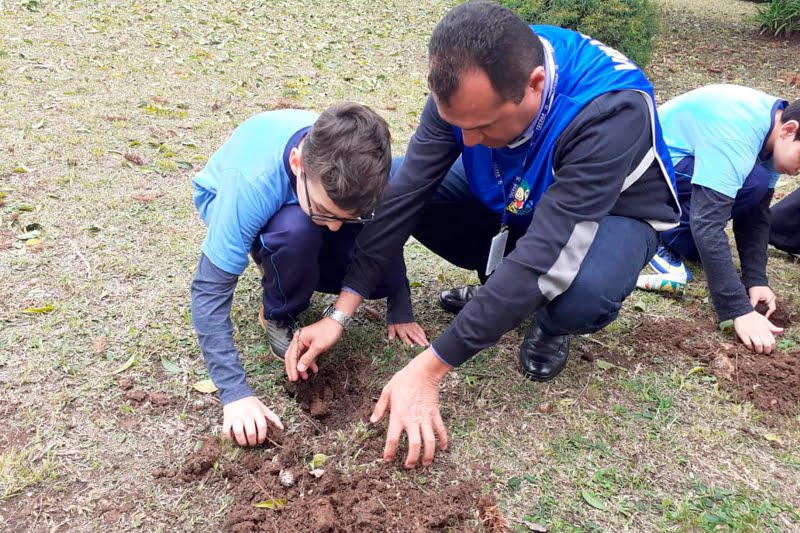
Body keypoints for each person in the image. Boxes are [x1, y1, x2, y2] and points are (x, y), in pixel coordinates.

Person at [284, 1, 680, 468]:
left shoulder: (611, 113)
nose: (466, 141)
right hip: (519, 193)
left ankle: (549, 323)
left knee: (580, 294)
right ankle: (500, 293)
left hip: (613, 214)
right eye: (458, 126)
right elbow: (406, 195)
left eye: (482, 125)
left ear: (534, 86)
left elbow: (544, 255)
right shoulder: (468, 76)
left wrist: (430, 369)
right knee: (395, 184)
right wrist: (341, 310)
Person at [190, 102, 428, 447]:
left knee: (356, 253)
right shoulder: (249, 186)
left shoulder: (367, 173)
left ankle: (310, 235)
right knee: (297, 231)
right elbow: (208, 291)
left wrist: (399, 297)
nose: (333, 226)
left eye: (343, 218)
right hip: (242, 204)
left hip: (307, 202)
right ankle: (278, 311)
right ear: (297, 163)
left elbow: (385, 235)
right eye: (325, 212)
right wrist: (235, 394)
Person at [637, 85, 800, 353]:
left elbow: (756, 215)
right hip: (645, 169)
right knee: (751, 183)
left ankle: (675, 233)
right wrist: (737, 309)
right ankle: (663, 239)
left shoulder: (774, 128)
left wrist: (756, 279)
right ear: (789, 130)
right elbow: (707, 224)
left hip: (678, 166)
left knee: (755, 185)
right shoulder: (737, 133)